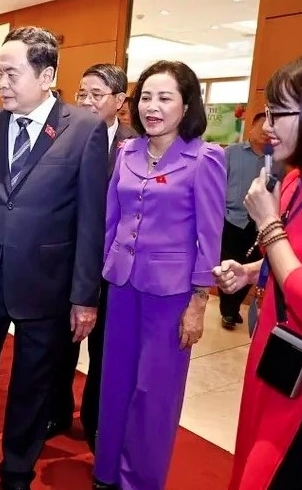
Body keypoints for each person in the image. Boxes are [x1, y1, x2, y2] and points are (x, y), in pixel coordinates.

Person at [0, 26, 108, 490]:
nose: (1, 83)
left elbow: (91, 221)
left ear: (46, 75)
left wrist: (84, 297)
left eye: (11, 73)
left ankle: (16, 474)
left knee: (31, 388)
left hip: (46, 282)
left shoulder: (84, 129)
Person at [93, 60, 226, 490]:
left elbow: (210, 235)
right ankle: (107, 471)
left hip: (171, 296)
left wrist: (198, 302)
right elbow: (111, 220)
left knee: (154, 395)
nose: (152, 106)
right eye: (146, 96)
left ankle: (139, 481)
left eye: (164, 98)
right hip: (123, 284)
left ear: (186, 105)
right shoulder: (127, 151)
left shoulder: (205, 158)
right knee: (114, 381)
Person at [214, 52, 302, 490]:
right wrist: (250, 272)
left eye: (280, 113)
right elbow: (298, 259)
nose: (267, 125)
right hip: (275, 342)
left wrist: (267, 223)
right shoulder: (299, 178)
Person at [47, 63, 138, 448]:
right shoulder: (59, 135)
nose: (85, 101)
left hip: (113, 264)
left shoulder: (135, 145)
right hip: (67, 260)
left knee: (104, 347)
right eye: (81, 93)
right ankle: (55, 411)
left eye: (96, 94)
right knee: (60, 342)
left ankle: (96, 419)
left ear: (119, 102)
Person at [219, 112, 284, 330]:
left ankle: (234, 306)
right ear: (252, 129)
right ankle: (227, 311)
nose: (266, 133)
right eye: (262, 128)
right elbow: (219, 185)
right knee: (229, 263)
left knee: (253, 265)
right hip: (233, 219)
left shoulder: (274, 158)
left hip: (260, 224)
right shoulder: (231, 153)